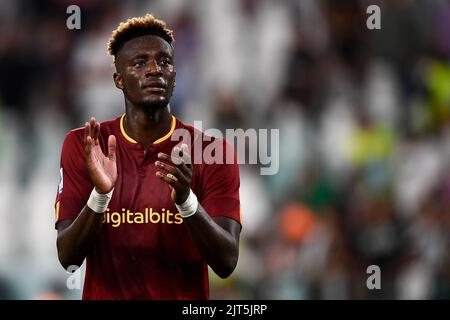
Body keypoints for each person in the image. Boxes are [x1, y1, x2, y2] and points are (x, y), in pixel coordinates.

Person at [54, 14, 242, 300]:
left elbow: (226, 262)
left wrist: (186, 201)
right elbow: (68, 257)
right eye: (140, 63)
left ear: (175, 75)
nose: (155, 70)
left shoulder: (211, 152)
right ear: (118, 79)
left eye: (165, 62)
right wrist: (101, 196)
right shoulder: (85, 144)